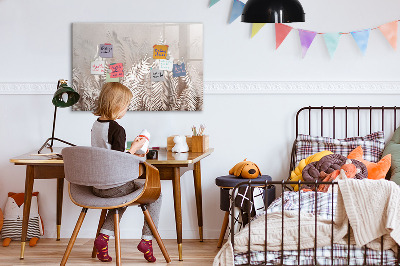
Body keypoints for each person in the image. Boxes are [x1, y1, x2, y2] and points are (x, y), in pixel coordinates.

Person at [91, 82, 161, 263]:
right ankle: (147, 240)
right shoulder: (117, 129)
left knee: (121, 197)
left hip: (97, 186)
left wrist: (131, 149)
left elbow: (108, 154)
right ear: (117, 105)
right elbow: (119, 160)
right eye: (126, 106)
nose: (126, 110)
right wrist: (136, 148)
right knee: (156, 194)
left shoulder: (96, 125)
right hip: (114, 186)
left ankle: (103, 238)